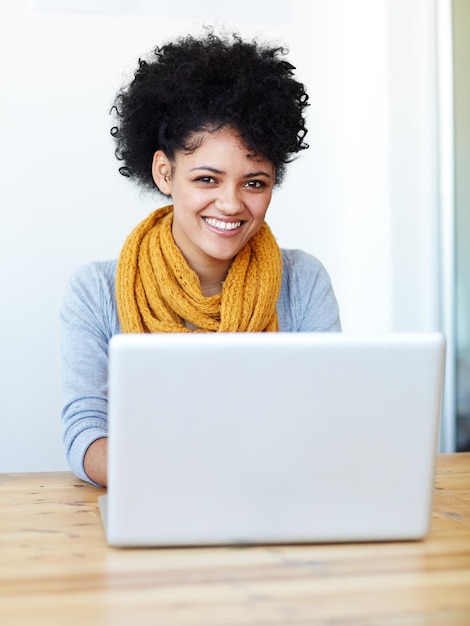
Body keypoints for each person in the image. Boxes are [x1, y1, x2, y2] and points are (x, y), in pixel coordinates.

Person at [61, 30, 341, 487]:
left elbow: (328, 419)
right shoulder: (94, 291)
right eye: (208, 179)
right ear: (164, 172)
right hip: (153, 498)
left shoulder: (303, 281)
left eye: (254, 183)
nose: (231, 204)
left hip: (273, 501)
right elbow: (86, 431)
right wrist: (177, 472)